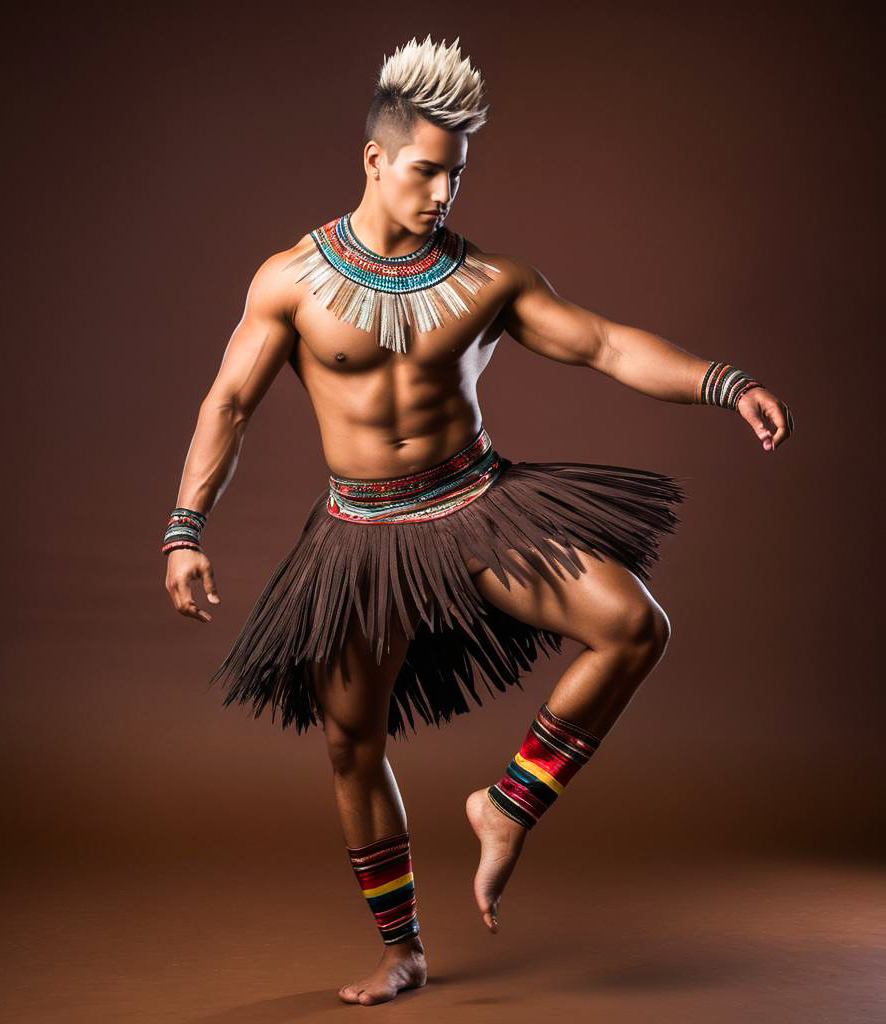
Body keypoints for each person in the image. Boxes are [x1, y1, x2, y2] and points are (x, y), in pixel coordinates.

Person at [162, 35, 794, 1007]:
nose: (442, 193)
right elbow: (227, 403)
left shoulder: (488, 281)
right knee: (350, 744)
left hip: (477, 509)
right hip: (360, 539)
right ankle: (403, 948)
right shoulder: (287, 279)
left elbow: (605, 345)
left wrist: (724, 381)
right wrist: (184, 528)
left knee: (632, 624)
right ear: (374, 159)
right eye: (424, 171)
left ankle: (507, 805)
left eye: (455, 176)